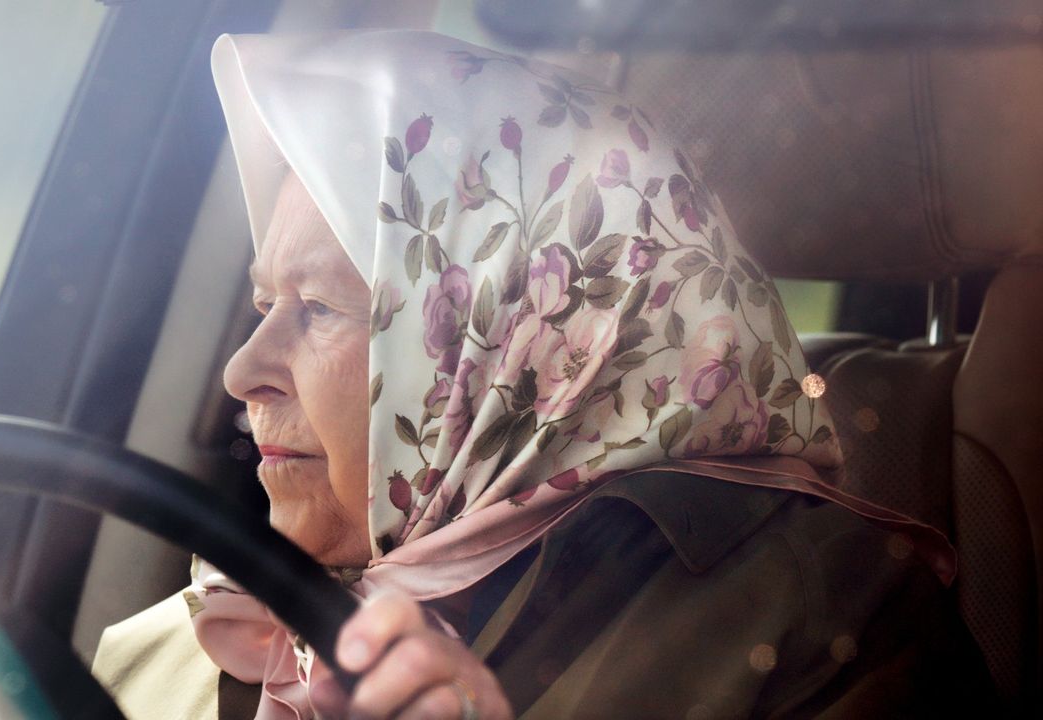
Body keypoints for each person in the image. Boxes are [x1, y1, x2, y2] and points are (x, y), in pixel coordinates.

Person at [92, 30, 993, 719]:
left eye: (321, 308)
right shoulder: (194, 633)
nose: (243, 371)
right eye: (262, 307)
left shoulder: (825, 609)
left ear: (515, 336)